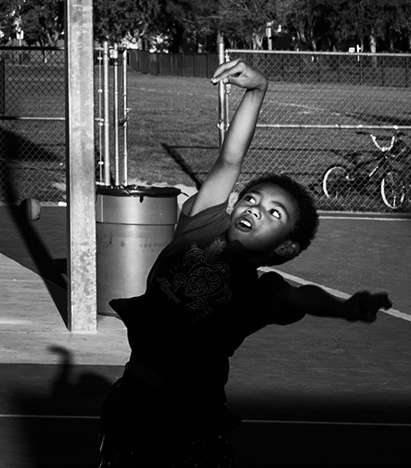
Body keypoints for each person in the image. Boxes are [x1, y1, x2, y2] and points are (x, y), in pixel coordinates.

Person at [101, 59, 392, 468]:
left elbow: (300, 297)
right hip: (134, 403)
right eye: (252, 199)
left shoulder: (257, 295)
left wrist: (343, 308)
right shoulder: (200, 226)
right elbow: (230, 161)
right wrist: (257, 91)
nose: (256, 209)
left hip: (192, 423)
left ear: (286, 249)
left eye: (275, 214)